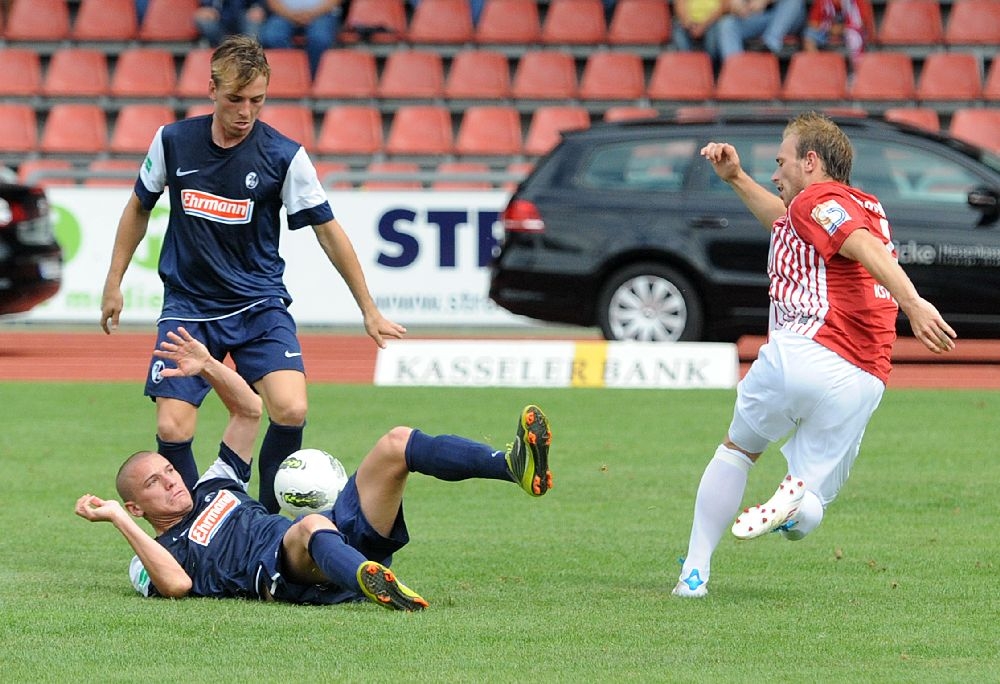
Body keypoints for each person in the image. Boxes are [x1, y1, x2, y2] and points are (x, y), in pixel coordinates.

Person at [99, 35, 406, 514]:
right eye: (235, 99)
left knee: (291, 409)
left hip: (258, 304)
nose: (246, 111)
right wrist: (113, 281)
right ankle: (187, 531)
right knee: (172, 429)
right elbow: (138, 207)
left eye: (257, 100)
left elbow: (329, 232)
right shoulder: (173, 142)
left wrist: (368, 309)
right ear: (212, 90)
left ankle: (266, 521)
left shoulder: (284, 156)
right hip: (190, 306)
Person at [672, 112, 957, 599]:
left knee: (738, 450)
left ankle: (694, 574)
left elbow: (856, 242)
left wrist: (914, 303)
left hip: (806, 353)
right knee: (811, 511)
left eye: (780, 162)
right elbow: (787, 222)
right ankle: (793, 500)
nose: (775, 173)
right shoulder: (857, 204)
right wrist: (736, 178)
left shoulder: (818, 199)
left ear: (811, 161)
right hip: (865, 378)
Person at [75, 327, 554, 610]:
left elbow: (248, 410)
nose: (172, 481)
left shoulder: (214, 483)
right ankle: (366, 579)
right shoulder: (152, 555)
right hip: (287, 568)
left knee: (396, 442)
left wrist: (208, 366)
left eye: (168, 470)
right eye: (154, 484)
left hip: (329, 540)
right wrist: (118, 518)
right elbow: (176, 585)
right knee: (309, 524)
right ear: (138, 506)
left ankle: (511, 464)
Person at [258, 0, 343, 79]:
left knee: (319, 39)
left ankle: (312, 79)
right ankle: (290, 76)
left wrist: (312, 14)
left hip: (322, 14)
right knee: (272, 37)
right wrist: (290, 14)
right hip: (284, 14)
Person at [715, 0, 806, 61]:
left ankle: (769, 45)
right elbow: (725, 5)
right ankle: (736, 71)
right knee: (727, 23)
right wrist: (735, 5)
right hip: (757, 19)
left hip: (787, 18)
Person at [802, 0, 876, 71]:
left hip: (850, 31)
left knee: (854, 37)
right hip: (827, 32)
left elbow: (862, 23)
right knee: (809, 34)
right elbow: (812, 23)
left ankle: (857, 71)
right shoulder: (822, 1)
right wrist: (830, 28)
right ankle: (819, 68)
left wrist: (842, 28)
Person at [671, 0, 731, 65]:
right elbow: (680, 5)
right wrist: (689, 24)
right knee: (678, 29)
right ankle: (686, 64)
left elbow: (724, 7)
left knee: (715, 30)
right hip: (691, 23)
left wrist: (703, 26)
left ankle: (710, 65)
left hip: (712, 22)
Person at [195, 0, 267, 46]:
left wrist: (258, 7)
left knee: (254, 23)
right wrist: (206, 8)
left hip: (245, 13)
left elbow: (259, 4)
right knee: (203, 20)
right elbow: (205, 6)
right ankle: (226, 51)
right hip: (219, 15)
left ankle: (249, 54)